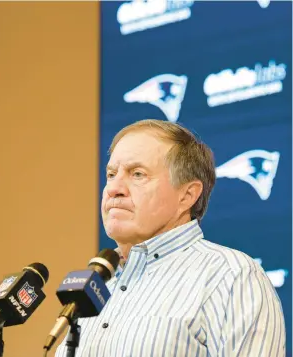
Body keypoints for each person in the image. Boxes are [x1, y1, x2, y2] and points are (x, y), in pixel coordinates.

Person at [55, 119, 285, 357]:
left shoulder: (230, 276)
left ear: (187, 195)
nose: (115, 188)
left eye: (137, 174)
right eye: (111, 174)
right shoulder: (97, 289)